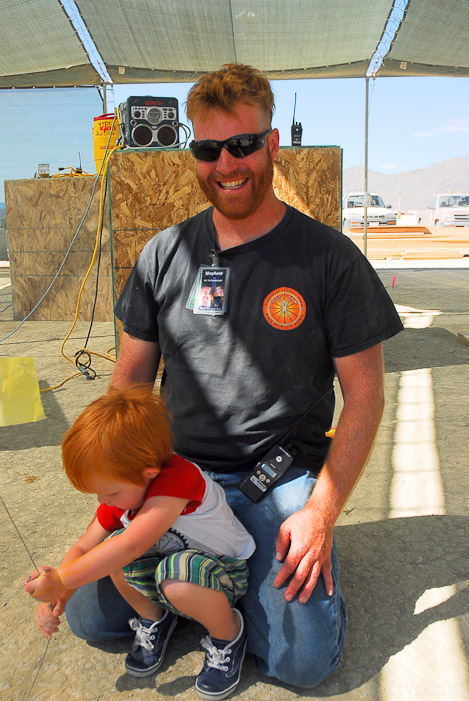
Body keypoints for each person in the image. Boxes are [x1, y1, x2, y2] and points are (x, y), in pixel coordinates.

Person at [64, 63, 404, 688]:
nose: (227, 164)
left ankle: (218, 583)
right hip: (173, 477)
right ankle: (200, 588)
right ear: (194, 152)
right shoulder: (164, 254)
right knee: (92, 618)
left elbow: (365, 397)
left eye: (243, 145)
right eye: (209, 149)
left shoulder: (329, 258)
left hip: (272, 479)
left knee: (304, 664)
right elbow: (130, 384)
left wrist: (321, 513)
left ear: (271, 145)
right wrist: (120, 488)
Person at [25, 385, 255, 700]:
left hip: (224, 572)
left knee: (166, 569)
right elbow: (84, 547)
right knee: (117, 549)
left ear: (148, 472)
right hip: (170, 574)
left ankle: (228, 634)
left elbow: (132, 544)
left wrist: (63, 578)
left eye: (110, 492)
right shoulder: (128, 487)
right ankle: (154, 619)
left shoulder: (179, 480)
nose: (103, 500)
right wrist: (59, 595)